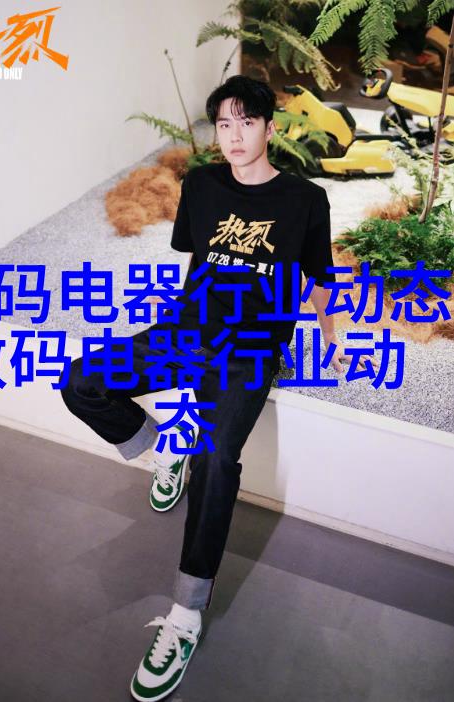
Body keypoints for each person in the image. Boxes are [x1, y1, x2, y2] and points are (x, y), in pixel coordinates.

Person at [59, 74, 377, 701]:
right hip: (189, 329)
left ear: (270, 129)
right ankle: (161, 448)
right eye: (224, 124)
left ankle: (185, 614)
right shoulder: (202, 185)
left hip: (250, 348)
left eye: (246, 122)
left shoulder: (305, 199)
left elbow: (318, 277)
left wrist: (332, 337)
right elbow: (197, 260)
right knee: (81, 382)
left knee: (215, 455)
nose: (233, 136)